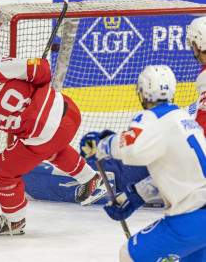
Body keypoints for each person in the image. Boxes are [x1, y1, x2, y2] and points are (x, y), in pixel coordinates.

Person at [0, 56, 107, 236]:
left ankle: (13, 221)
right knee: (49, 146)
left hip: (43, 135)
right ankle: (90, 178)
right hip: (68, 113)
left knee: (2, 170)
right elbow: (44, 71)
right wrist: (33, 76)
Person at [83, 64, 206, 261]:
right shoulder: (185, 119)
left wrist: (100, 145)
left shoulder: (153, 118)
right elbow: (180, 174)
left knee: (129, 254)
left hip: (188, 221)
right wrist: (137, 194)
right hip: (199, 219)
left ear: (142, 93)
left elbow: (132, 147)